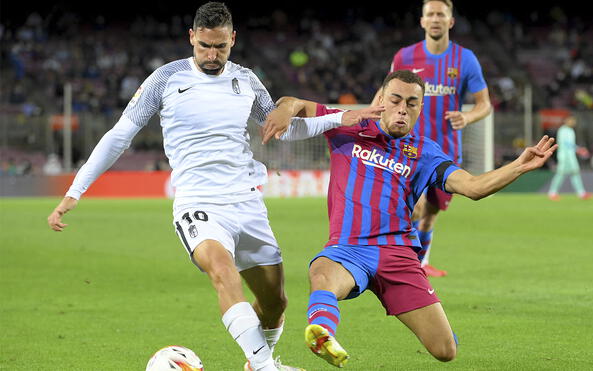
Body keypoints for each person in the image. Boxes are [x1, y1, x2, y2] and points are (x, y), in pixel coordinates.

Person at [46, 3, 381, 370]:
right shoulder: (165, 79)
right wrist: (75, 191)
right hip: (198, 202)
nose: (211, 54)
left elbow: (284, 131)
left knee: (275, 303)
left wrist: (339, 118)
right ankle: (268, 368)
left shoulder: (246, 80)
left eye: (220, 47)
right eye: (204, 45)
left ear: (232, 39)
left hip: (246, 201)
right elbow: (119, 136)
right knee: (223, 272)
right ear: (191, 37)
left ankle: (257, 364)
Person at [264, 70, 556, 367]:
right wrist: (285, 110)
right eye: (395, 99)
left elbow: (474, 187)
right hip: (349, 249)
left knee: (445, 351)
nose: (402, 108)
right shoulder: (348, 124)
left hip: (398, 256)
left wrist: (518, 166)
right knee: (322, 273)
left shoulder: (425, 153)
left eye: (412, 103)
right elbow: (293, 102)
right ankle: (323, 333)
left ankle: (431, 324)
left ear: (419, 109)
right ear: (380, 99)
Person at [372, 0, 492, 277]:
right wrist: (367, 124)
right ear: (422, 21)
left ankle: (419, 265)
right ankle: (400, 263)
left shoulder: (465, 59)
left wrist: (468, 117)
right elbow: (383, 96)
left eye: (441, 14)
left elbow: (484, 104)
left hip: (444, 151)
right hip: (406, 147)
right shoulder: (405, 57)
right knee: (414, 208)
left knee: (431, 212)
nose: (435, 19)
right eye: (430, 14)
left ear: (450, 21)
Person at [548, 115, 593, 200]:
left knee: (575, 173)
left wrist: (577, 149)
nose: (573, 122)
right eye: (571, 120)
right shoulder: (563, 130)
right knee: (560, 173)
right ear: (566, 121)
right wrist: (579, 149)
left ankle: (581, 193)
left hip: (571, 156)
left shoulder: (570, 130)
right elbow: (566, 143)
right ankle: (552, 192)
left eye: (574, 121)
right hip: (564, 156)